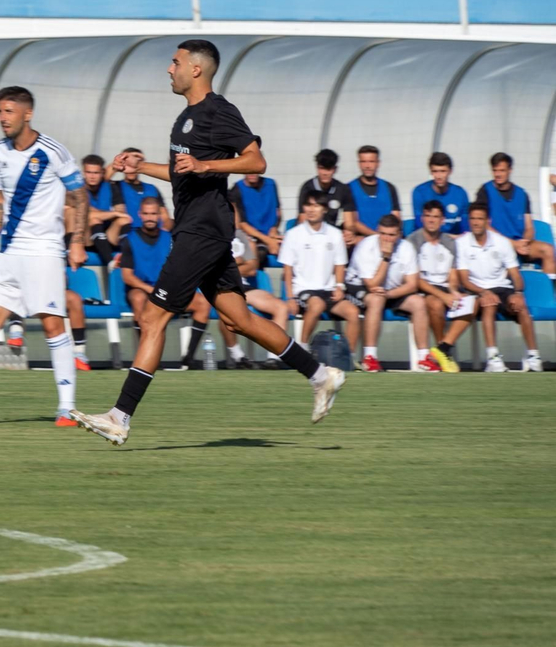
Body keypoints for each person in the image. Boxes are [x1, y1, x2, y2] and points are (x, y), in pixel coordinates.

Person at [71, 40, 344, 445]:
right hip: (205, 231)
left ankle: (119, 416)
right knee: (240, 319)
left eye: (175, 62)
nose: (169, 69)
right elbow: (183, 173)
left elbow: (256, 160)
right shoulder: (185, 118)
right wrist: (138, 167)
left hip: (202, 231)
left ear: (196, 69)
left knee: (154, 316)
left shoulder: (218, 111)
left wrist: (206, 164)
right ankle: (321, 375)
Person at [0, 86, 89, 433]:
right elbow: (0, 199)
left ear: (27, 114)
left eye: (9, 112)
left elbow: (80, 196)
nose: (2, 118)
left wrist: (78, 242)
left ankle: (67, 408)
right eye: (0, 112)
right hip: (9, 251)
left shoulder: (52, 151)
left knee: (53, 325)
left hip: (43, 252)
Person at [118, 197, 213, 369]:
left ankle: (189, 358)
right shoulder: (129, 239)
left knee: (202, 303)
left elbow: (182, 267)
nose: (149, 217)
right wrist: (151, 289)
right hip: (142, 289)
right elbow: (127, 277)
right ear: (140, 214)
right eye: (146, 214)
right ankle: (146, 358)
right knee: (138, 298)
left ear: (160, 214)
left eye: (153, 213)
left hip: (167, 290)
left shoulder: (170, 238)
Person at [456, 203, 543, 373]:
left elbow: (516, 275)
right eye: (472, 218)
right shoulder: (461, 243)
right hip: (476, 289)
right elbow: (464, 280)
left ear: (488, 221)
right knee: (489, 305)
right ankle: (493, 357)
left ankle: (534, 356)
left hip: (502, 287)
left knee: (521, 307)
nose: (476, 223)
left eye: (480, 219)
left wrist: (518, 293)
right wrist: (483, 292)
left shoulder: (502, 242)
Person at [346, 213, 429, 372]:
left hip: (389, 291)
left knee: (419, 302)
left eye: (391, 235)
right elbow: (372, 285)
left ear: (399, 234)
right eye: (383, 234)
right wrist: (386, 257)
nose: (386, 239)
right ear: (378, 231)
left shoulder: (406, 248)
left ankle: (424, 358)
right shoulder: (366, 246)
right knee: (377, 300)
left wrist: (390, 295)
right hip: (358, 287)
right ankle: (370, 357)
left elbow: (412, 285)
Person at [281, 192, 360, 349]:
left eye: (316, 205)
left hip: (327, 289)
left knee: (353, 312)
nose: (311, 209)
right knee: (316, 305)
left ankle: (348, 358)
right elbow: (287, 270)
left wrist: (339, 286)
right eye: (308, 205)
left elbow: (339, 265)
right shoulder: (293, 234)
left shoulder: (335, 234)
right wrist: (290, 297)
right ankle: (302, 349)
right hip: (303, 290)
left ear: (324, 209)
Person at [476, 153, 556, 283]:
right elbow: (484, 225)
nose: (498, 174)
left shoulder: (522, 194)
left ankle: (549, 292)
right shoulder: (485, 191)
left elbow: (529, 226)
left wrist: (525, 241)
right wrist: (513, 244)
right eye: (495, 170)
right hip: (496, 244)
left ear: (510, 170)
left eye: (501, 170)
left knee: (548, 250)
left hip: (520, 244)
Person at [220, 225, 291, 367]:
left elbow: (252, 269)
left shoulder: (241, 237)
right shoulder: (208, 237)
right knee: (225, 307)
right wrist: (238, 262)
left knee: (281, 308)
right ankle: (237, 357)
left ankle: (273, 358)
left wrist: (229, 266)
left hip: (244, 287)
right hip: (220, 286)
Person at [405, 200, 457, 372]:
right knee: (435, 303)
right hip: (421, 289)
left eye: (436, 217)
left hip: (445, 289)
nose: (431, 220)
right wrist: (444, 296)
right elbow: (416, 279)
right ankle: (443, 352)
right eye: (428, 216)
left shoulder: (449, 242)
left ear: (443, 220)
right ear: (422, 218)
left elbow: (453, 274)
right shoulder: (412, 242)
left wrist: (454, 292)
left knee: (476, 303)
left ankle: (442, 349)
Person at [298, 148, 354, 245]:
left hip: (332, 235)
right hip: (311, 234)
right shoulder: (307, 188)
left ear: (335, 169)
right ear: (317, 168)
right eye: (322, 168)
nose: (325, 173)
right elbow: (303, 219)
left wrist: (348, 233)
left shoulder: (342, 189)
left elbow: (349, 222)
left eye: (328, 169)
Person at [347, 145, 402, 242]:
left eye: (371, 161)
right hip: (362, 242)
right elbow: (353, 222)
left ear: (378, 163)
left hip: (387, 241)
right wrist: (376, 236)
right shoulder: (349, 188)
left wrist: (385, 236)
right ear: (359, 163)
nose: (367, 166)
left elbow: (396, 219)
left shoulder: (389, 188)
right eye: (363, 161)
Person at [80, 154, 127, 264]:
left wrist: (102, 214)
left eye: (96, 173)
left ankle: (129, 257)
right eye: (89, 172)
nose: (92, 176)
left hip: (108, 235)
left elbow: (121, 212)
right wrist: (112, 213)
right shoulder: (78, 189)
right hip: (87, 239)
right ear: (83, 173)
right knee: (93, 220)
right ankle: (110, 262)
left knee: (124, 220)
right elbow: (87, 215)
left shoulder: (111, 187)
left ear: (102, 173)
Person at [111, 148, 171, 231]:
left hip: (156, 236)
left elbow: (166, 218)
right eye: (126, 162)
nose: (130, 166)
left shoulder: (152, 189)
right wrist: (118, 161)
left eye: (133, 163)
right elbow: (102, 178)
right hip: (130, 236)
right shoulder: (116, 186)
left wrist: (164, 234)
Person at [410, 152, 469, 235]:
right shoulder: (419, 192)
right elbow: (420, 224)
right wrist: (445, 238)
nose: (439, 176)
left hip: (453, 241)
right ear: (431, 171)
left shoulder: (460, 193)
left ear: (450, 171)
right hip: (426, 239)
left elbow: (465, 226)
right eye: (435, 171)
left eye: (443, 171)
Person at [230, 171, 282, 262]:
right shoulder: (237, 189)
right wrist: (268, 241)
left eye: (255, 171)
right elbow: (242, 224)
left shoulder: (271, 184)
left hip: (272, 233)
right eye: (249, 170)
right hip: (252, 236)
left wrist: (274, 228)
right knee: (259, 254)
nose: (252, 174)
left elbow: (278, 212)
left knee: (290, 251)